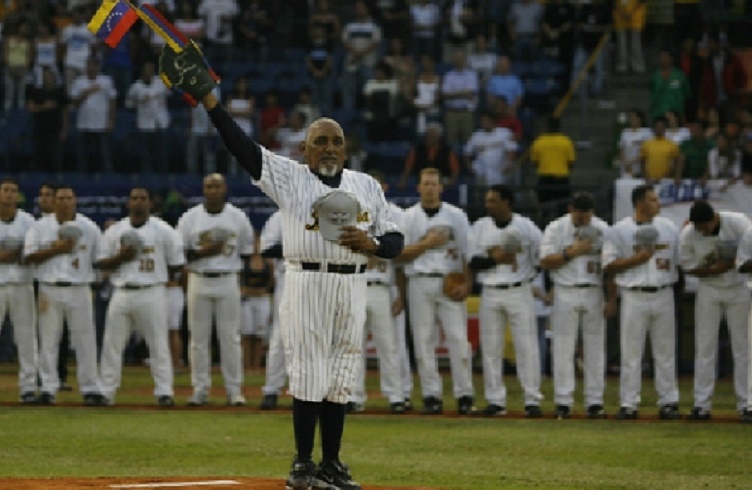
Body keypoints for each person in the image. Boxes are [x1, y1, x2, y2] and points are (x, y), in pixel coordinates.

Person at [160, 42, 404, 489]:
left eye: (336, 142)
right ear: (305, 149)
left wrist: (373, 242)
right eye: (320, 142)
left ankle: (331, 463)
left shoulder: (367, 185)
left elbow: (395, 239)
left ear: (345, 150)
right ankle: (301, 464)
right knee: (309, 371)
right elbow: (243, 148)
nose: (329, 148)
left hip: (353, 285)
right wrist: (212, 103)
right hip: (306, 281)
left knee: (342, 377)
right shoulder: (291, 178)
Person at [96, 188, 185, 407]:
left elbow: (177, 264)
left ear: (150, 203)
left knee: (158, 344)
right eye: (134, 198)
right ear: (128, 203)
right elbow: (101, 263)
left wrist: (159, 274)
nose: (138, 202)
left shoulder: (163, 230)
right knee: (112, 344)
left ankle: (164, 391)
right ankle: (107, 391)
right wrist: (121, 257)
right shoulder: (115, 231)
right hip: (123, 291)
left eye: (143, 198)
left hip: (151, 290)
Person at [399, 167, 474, 416]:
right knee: (423, 341)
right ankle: (432, 395)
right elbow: (400, 254)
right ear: (418, 187)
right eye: (426, 183)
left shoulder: (456, 216)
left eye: (434, 184)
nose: (430, 188)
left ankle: (464, 395)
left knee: (459, 340)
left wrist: (467, 284)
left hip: (449, 281)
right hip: (419, 280)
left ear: (441, 187)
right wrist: (427, 243)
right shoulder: (408, 217)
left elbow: (467, 254)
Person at [602, 184, 680, 420]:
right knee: (631, 352)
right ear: (639, 203)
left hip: (663, 292)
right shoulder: (618, 230)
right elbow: (609, 265)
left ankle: (669, 402)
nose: (658, 203)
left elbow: (680, 262)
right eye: (653, 199)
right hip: (633, 293)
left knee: (665, 351)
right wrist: (636, 259)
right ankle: (629, 403)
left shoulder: (669, 228)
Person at [176, 174, 254, 407]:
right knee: (198, 338)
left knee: (230, 337)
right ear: (203, 189)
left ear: (224, 189)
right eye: (208, 186)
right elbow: (180, 254)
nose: (212, 190)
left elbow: (247, 253)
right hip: (198, 278)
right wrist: (205, 252)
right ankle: (200, 389)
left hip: (228, 278)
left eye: (217, 186)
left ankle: (234, 391)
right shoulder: (190, 218)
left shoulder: (237, 217)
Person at [23, 185, 103, 406]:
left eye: (69, 198)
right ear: (54, 202)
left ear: (75, 200)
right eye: (60, 198)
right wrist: (56, 249)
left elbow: (100, 259)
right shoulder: (40, 227)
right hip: (49, 287)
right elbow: (28, 257)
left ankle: (90, 388)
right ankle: (48, 388)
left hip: (79, 287)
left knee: (85, 340)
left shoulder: (89, 228)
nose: (65, 202)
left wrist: (95, 281)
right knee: (49, 341)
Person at [468, 184, 544, 417]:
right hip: (490, 289)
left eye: (493, 201)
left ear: (506, 202)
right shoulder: (480, 227)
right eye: (488, 200)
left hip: (518, 289)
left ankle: (532, 400)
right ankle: (495, 401)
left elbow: (540, 259)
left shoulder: (526, 226)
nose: (488, 205)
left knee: (526, 346)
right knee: (491, 348)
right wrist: (496, 259)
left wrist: (529, 278)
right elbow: (472, 261)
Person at [540, 192, 611, 419]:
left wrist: (611, 297)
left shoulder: (603, 229)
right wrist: (571, 252)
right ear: (571, 209)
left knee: (595, 348)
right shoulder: (556, 228)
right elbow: (544, 260)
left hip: (593, 290)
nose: (583, 218)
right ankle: (563, 401)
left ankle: (595, 402)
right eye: (579, 213)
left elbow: (612, 264)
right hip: (565, 289)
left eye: (587, 213)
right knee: (563, 348)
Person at [679, 201, 750, 420]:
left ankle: (747, 403)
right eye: (698, 226)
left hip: (738, 287)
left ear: (715, 218)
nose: (701, 230)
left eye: (705, 226)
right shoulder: (688, 234)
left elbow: (747, 255)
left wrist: (732, 264)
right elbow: (688, 267)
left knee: (743, 347)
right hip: (709, 289)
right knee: (705, 347)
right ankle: (702, 404)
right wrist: (712, 269)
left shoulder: (738, 223)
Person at [349, 170, 407, 414]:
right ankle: (354, 396)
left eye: (377, 184)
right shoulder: (350, 210)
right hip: (355, 282)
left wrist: (400, 294)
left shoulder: (395, 213)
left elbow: (401, 254)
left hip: (382, 285)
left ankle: (395, 395)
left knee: (388, 344)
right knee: (353, 346)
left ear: (384, 186)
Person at [0, 178, 38, 404]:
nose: (9, 195)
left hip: (22, 285)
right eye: (5, 190)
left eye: (13, 191)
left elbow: (31, 253)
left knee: (26, 338)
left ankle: (28, 388)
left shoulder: (28, 221)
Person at [258, 210, 286, 410]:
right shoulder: (280, 217)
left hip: (320, 278)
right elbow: (266, 249)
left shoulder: (324, 213)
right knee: (280, 335)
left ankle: (317, 392)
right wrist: (300, 247)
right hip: (290, 275)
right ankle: (271, 390)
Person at [70, 58, 117, 173]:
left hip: (101, 123)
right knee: (83, 155)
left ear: (97, 67)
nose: (91, 68)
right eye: (89, 66)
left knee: (104, 154)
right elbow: (74, 103)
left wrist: (111, 121)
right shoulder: (79, 82)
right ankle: (82, 177)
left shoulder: (106, 81)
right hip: (84, 123)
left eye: (93, 66)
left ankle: (107, 176)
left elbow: (112, 101)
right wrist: (86, 92)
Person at [125, 61, 171, 174]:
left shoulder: (161, 83)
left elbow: (171, 94)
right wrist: (139, 101)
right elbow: (128, 104)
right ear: (142, 71)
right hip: (144, 125)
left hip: (161, 122)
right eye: (146, 70)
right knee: (145, 156)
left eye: (150, 69)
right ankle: (147, 178)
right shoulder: (135, 87)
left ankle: (163, 177)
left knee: (162, 154)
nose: (148, 72)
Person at [240, 234, 273, 372]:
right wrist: (246, 291)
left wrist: (264, 291)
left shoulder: (267, 262)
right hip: (247, 299)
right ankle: (246, 365)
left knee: (259, 334)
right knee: (247, 334)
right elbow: (239, 280)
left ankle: (256, 365)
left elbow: (272, 282)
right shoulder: (244, 262)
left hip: (262, 298)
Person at [530, 116, 576, 210]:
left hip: (545, 179)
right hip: (561, 179)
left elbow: (535, 161)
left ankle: (543, 222)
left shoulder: (539, 141)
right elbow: (571, 161)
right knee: (563, 208)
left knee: (544, 207)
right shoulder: (565, 141)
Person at [399, 123, 461, 189]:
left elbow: (455, 169)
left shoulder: (447, 151)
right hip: (422, 180)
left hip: (442, 181)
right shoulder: (417, 150)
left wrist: (451, 181)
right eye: (428, 135)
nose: (429, 137)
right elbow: (408, 167)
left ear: (439, 137)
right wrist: (403, 180)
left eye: (432, 135)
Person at [464, 111, 518, 186]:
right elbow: (467, 152)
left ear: (493, 121)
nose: (485, 123)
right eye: (482, 121)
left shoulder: (505, 133)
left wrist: (508, 164)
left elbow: (511, 150)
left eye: (487, 120)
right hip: (482, 173)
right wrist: (470, 166)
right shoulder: (476, 136)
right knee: (481, 195)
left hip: (500, 172)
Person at [441, 50, 479, 147]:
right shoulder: (448, 75)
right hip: (451, 113)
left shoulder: (471, 74)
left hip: (466, 112)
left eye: (460, 58)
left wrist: (453, 94)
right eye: (456, 58)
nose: (458, 60)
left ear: (464, 60)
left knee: (468, 143)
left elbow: (471, 92)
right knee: (451, 143)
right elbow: (445, 94)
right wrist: (464, 93)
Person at [640, 116, 679, 183]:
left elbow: (676, 163)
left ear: (665, 128)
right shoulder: (647, 144)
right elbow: (642, 162)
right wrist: (646, 177)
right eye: (657, 126)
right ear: (654, 128)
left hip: (666, 180)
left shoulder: (672, 145)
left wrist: (668, 176)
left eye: (661, 126)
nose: (659, 128)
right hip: (649, 180)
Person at [617, 109, 652, 178]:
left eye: (633, 117)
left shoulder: (647, 132)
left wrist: (633, 162)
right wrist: (626, 162)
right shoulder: (625, 132)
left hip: (641, 167)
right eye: (630, 117)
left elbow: (647, 151)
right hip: (626, 167)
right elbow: (621, 149)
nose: (631, 119)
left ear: (639, 119)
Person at [613, 0, 646, 73]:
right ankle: (622, 65)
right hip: (620, 16)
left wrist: (630, 13)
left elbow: (642, 2)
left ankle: (637, 65)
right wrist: (622, 13)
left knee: (635, 43)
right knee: (622, 44)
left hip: (635, 16)